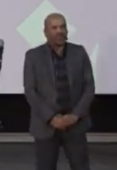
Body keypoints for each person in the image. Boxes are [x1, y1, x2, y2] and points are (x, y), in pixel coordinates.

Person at [24, 13, 94, 170]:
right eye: (54, 28)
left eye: (62, 27)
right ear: (45, 31)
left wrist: (75, 115)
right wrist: (51, 117)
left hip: (75, 124)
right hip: (46, 125)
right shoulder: (33, 56)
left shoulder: (79, 53)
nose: (59, 31)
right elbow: (30, 91)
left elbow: (89, 87)